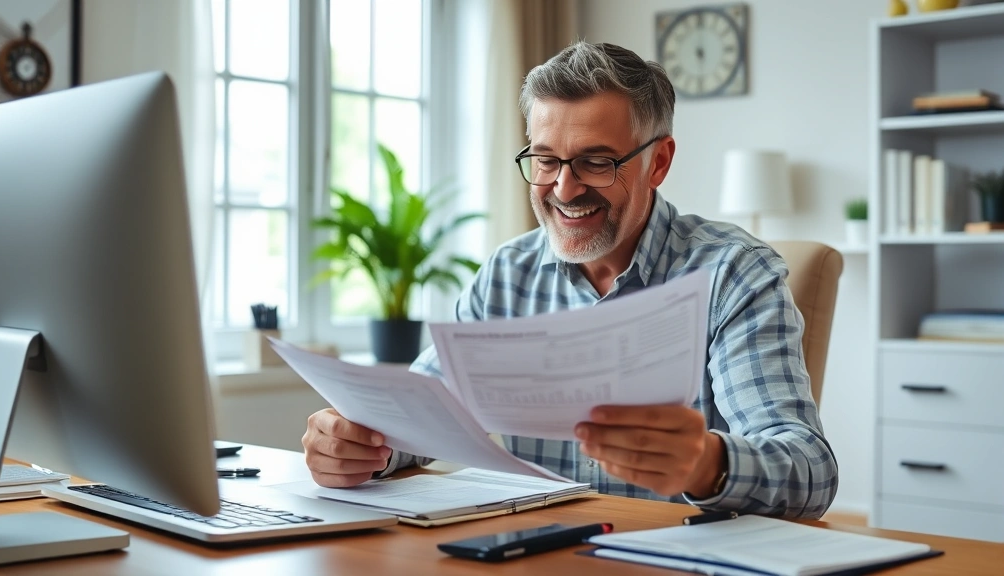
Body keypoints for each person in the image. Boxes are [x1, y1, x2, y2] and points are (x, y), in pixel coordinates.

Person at [302, 41, 838, 519]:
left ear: (658, 162)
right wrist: (363, 444)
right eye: (545, 159)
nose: (563, 188)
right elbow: (423, 415)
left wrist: (707, 464)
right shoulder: (508, 275)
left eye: (596, 162)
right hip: (531, 553)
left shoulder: (732, 273)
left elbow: (810, 470)